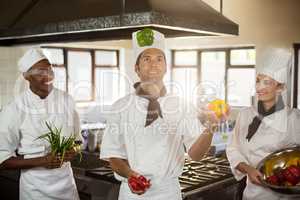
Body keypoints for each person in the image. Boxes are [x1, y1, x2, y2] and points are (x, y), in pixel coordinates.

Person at [100, 28, 224, 200]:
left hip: (168, 193)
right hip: (132, 193)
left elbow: (196, 155)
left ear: (166, 67)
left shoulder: (181, 105)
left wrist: (211, 127)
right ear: (136, 68)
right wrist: (130, 175)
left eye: (159, 59)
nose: (154, 64)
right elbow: (113, 154)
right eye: (147, 59)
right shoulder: (120, 107)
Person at [0, 48, 81, 200]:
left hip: (67, 188)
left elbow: (77, 141)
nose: (48, 75)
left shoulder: (66, 100)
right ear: (26, 76)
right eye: (40, 72)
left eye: (50, 69)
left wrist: (73, 150)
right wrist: (42, 160)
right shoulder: (14, 109)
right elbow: (3, 160)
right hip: (35, 191)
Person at [226, 48, 300, 200]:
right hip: (252, 194)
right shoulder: (245, 115)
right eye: (258, 81)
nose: (259, 87)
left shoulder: (294, 118)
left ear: (281, 88)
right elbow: (233, 149)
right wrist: (248, 169)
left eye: (267, 82)